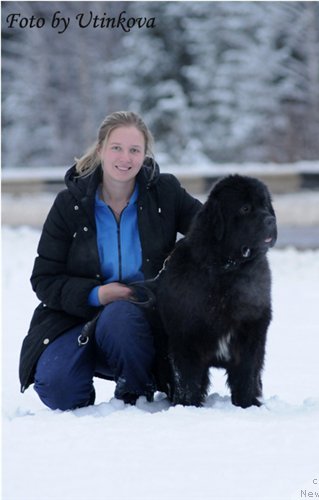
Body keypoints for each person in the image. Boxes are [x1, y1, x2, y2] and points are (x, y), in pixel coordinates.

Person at [19, 111, 202, 410]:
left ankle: (136, 393)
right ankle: (83, 370)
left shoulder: (165, 193)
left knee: (120, 316)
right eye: (117, 147)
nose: (125, 157)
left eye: (134, 150)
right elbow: (44, 279)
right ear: (101, 148)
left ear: (145, 155)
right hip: (74, 319)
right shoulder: (69, 204)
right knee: (59, 391)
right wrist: (97, 294)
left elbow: (210, 229)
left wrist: (247, 217)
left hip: (141, 320)